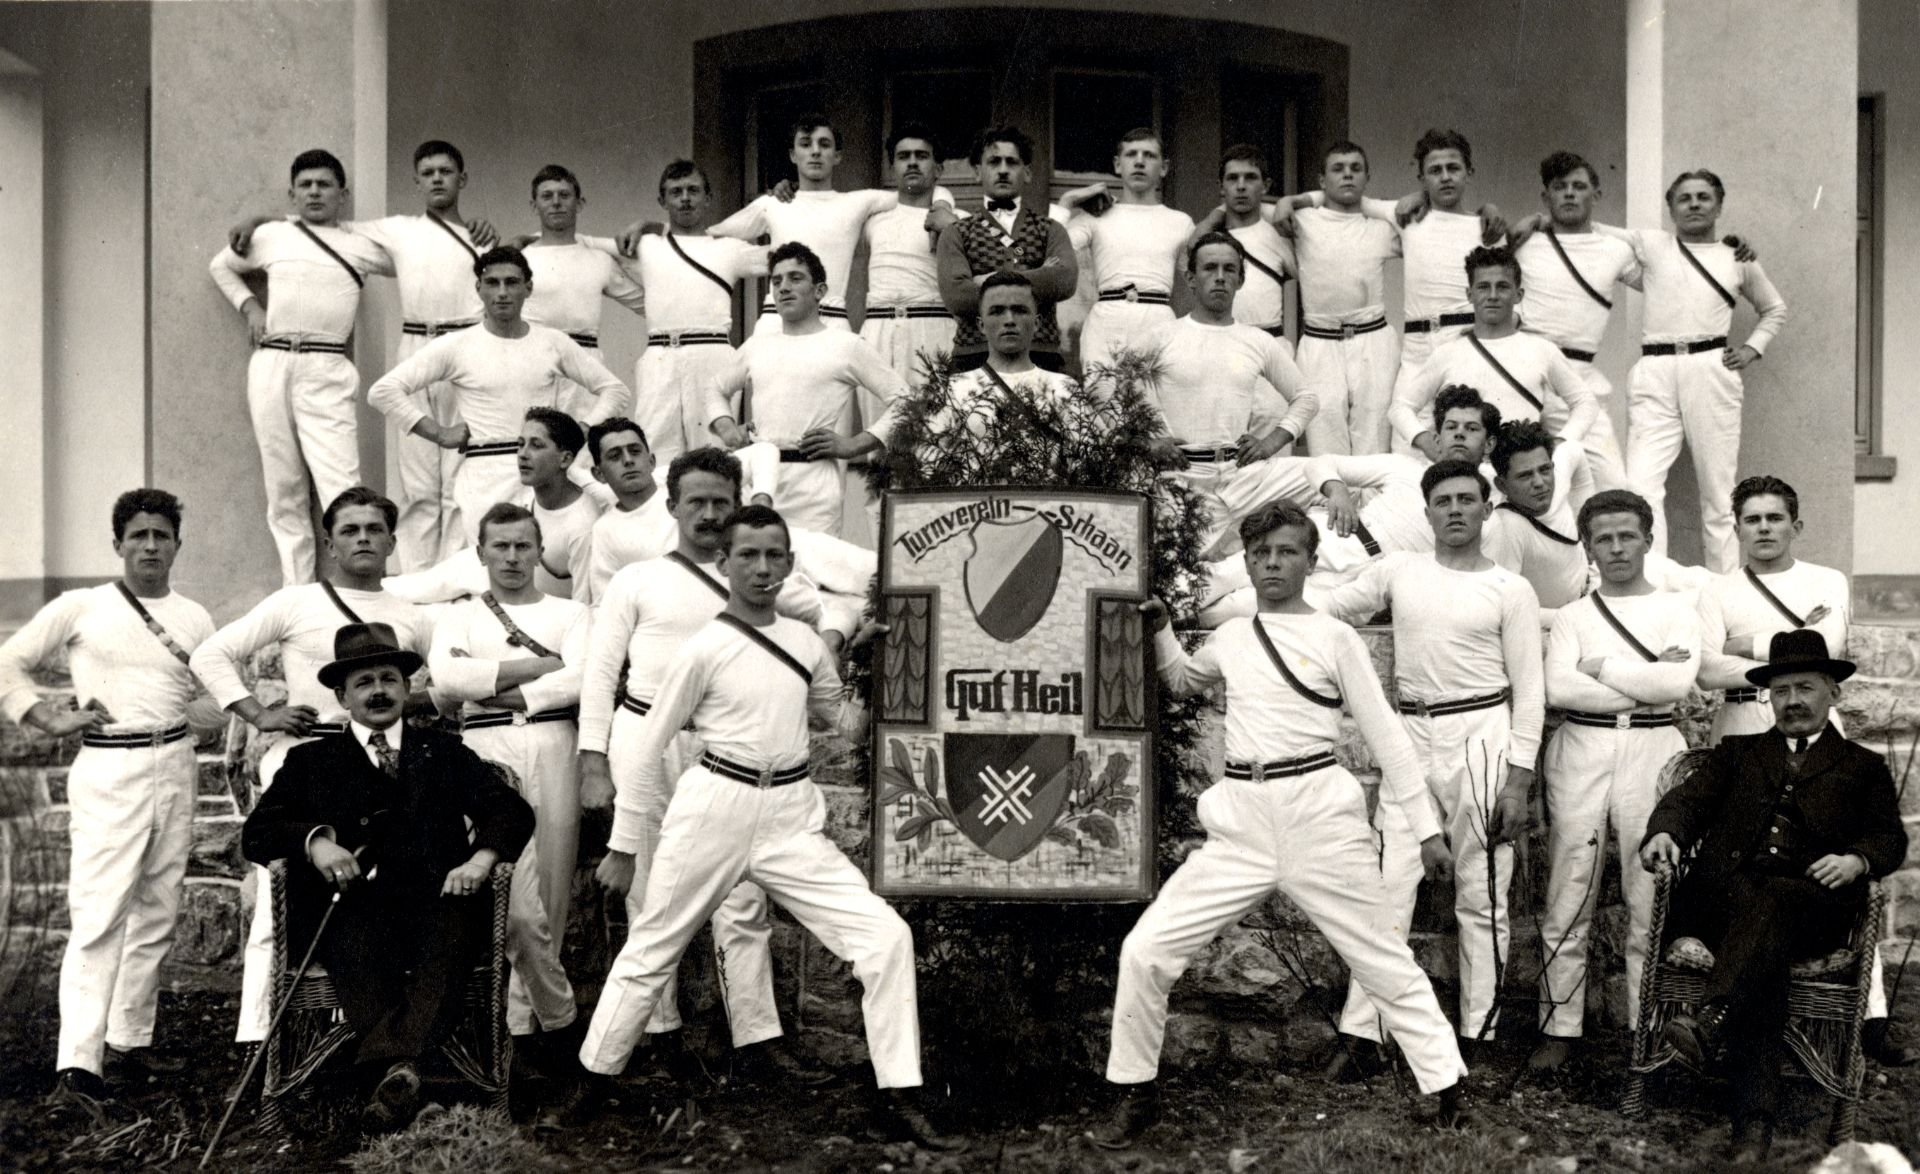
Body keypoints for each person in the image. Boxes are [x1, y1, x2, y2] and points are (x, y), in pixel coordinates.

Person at [562, 505, 960, 1149]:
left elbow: (840, 721)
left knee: (885, 936)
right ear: (724, 563)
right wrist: (624, 844)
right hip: (713, 803)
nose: (763, 568)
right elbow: (644, 748)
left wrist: (883, 657)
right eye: (748, 555)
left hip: (789, 817)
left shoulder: (805, 643)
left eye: (775, 555)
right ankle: (592, 1081)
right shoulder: (702, 649)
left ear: (791, 564)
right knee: (653, 945)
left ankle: (900, 1094)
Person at [1091, 502, 1468, 1149]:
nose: (1272, 563)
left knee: (1380, 956)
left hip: (1319, 815)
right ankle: (1133, 1091)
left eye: (1286, 551)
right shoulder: (1234, 636)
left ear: (1310, 560)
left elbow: (1388, 738)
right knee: (1147, 948)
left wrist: (1428, 831)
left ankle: (1448, 1090)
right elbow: (1182, 680)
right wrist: (1159, 630)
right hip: (1241, 819)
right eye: (1261, 552)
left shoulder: (1335, 637)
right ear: (1247, 561)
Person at [576, 449, 835, 1088]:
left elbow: (825, 625)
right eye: (697, 502)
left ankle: (757, 1040)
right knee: (648, 899)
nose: (711, 514)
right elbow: (602, 673)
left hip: (732, 750)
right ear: (673, 507)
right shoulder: (639, 580)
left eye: (722, 501)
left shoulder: (762, 578)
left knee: (744, 900)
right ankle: (658, 1038)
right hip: (649, 741)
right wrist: (593, 759)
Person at [241, 622, 534, 1132]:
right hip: (350, 913)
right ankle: (408, 1077)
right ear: (342, 696)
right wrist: (318, 841)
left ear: (405, 688)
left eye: (388, 679)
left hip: (438, 907)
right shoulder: (311, 760)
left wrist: (478, 862)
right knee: (353, 939)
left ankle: (390, 1072)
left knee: (455, 929)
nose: (378, 691)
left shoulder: (442, 751)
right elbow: (259, 832)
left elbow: (508, 809)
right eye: (364, 682)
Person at [1643, 630, 1907, 1162]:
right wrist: (1664, 832)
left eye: (1805, 688)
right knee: (1763, 953)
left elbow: (1889, 838)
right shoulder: (1736, 754)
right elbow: (1687, 801)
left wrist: (1857, 858)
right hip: (1725, 906)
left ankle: (1713, 1029)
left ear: (1833, 692)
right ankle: (1752, 1128)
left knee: (1779, 903)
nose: (1792, 701)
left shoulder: (1861, 766)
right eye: (1780, 690)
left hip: (1816, 909)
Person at [190, 487, 438, 1047]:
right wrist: (259, 712)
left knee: (368, 896)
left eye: (375, 529)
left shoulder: (412, 617)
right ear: (329, 542)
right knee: (278, 900)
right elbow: (210, 654)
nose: (364, 539)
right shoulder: (296, 602)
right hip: (307, 761)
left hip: (381, 763)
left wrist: (403, 708)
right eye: (350, 531)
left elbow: (441, 688)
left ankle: (352, 1034)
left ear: (393, 541)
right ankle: (261, 1041)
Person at [1320, 460, 1543, 1060]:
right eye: (1442, 500)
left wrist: (1518, 782)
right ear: (1426, 513)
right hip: (1411, 737)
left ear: (1486, 510)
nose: (1454, 510)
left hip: (1483, 735)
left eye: (1466, 500)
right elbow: (1333, 607)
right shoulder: (1400, 569)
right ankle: (1366, 1033)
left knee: (1482, 892)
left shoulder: (1510, 589)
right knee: (1387, 887)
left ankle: (1481, 1032)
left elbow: (1531, 690)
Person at [2, 490, 215, 1108]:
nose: (150, 546)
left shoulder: (194, 617)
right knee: (99, 917)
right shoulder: (81, 607)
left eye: (162, 536)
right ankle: (77, 1066)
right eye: (139, 535)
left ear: (178, 543)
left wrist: (206, 713)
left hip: (174, 764)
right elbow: (7, 662)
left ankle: (128, 1046)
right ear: (117, 543)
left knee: (157, 910)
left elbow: (206, 695)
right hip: (108, 767)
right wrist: (44, 717)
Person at [235, 140, 498, 571]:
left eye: (445, 171)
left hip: (462, 352)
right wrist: (264, 220)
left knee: (458, 481)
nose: (436, 178)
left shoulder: (481, 239)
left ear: (462, 179)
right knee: (417, 485)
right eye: (427, 172)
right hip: (414, 350)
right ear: (416, 180)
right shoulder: (395, 230)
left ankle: (453, 584)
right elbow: (320, 228)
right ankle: (415, 583)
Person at [1529, 489, 1699, 1073]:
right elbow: (1560, 688)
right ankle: (1558, 1029)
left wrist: (1602, 667)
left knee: (1650, 893)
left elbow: (1676, 687)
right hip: (1582, 745)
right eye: (1604, 538)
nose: (1617, 547)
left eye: (1628, 535)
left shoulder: (1677, 608)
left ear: (1648, 539)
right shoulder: (1576, 616)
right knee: (1567, 890)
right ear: (1589, 546)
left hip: (1654, 745)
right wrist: (1644, 674)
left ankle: (1644, 1031)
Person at [426, 504, 587, 1051]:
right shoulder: (462, 615)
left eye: (523, 545)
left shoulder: (572, 615)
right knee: (508, 895)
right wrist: (537, 667)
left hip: (552, 741)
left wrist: (494, 683)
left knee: (551, 890)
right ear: (481, 553)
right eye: (501, 546)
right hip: (482, 750)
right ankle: (545, 1026)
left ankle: (525, 1032)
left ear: (540, 551)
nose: (513, 556)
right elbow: (448, 678)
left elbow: (581, 681)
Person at [209, 149, 392, 586]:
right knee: (284, 488)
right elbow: (222, 266)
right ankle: (299, 594)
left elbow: (413, 263)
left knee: (342, 488)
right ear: (292, 193)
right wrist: (251, 307)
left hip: (326, 365)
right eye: (305, 185)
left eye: (324, 184)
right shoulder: (272, 234)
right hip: (272, 362)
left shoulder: (359, 245)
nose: (314, 192)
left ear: (342, 194)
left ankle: (362, 592)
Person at [367, 245, 630, 548]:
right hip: (485, 473)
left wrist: (582, 429)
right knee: (487, 565)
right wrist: (439, 433)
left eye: (512, 282)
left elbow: (615, 390)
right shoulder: (457, 345)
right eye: (492, 283)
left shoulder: (552, 342)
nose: (502, 292)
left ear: (528, 288)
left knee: (549, 557)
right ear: (478, 289)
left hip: (543, 470)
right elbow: (383, 391)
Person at [1599, 170, 1788, 570]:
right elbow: (1594, 232)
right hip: (1655, 367)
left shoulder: (1736, 258)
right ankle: (1651, 581)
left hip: (1711, 368)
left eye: (1704, 197)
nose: (1695, 204)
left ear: (1719, 206)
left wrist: (1753, 348)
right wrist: (1542, 223)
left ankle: (1726, 587)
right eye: (1684, 198)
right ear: (1671, 209)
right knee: (1641, 485)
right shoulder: (1653, 245)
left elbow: (1774, 308)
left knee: (1719, 493)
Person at [642, 114, 952, 336]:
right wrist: (654, 229)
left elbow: (922, 190)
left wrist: (943, 204)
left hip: (831, 322)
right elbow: (707, 235)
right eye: (806, 144)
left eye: (824, 144)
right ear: (793, 154)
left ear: (838, 156)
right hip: (776, 323)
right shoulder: (772, 204)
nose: (815, 151)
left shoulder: (858, 202)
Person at [704, 243, 907, 539]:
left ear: (820, 290)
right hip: (760, 478)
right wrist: (726, 428)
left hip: (814, 481)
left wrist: (855, 445)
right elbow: (715, 387)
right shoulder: (758, 345)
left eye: (795, 278)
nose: (784, 287)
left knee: (814, 573)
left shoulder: (846, 345)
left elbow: (905, 400)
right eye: (777, 281)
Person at [1144, 232, 1320, 558]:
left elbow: (1306, 397)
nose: (1220, 277)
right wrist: (1147, 440)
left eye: (1230, 270)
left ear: (1240, 280)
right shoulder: (1161, 337)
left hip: (1239, 481)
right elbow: (1109, 397)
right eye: (1210, 268)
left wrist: (1271, 442)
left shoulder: (1256, 341)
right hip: (1179, 478)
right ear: (1191, 278)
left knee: (1329, 481)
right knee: (1180, 574)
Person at [1506, 151, 1644, 491]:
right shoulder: (1525, 243)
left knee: (1612, 485)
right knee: (1512, 478)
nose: (1569, 193)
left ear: (1595, 195)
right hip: (1523, 367)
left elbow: (1666, 279)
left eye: (1579, 186)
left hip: (1576, 378)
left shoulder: (1615, 249)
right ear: (1545, 196)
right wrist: (1512, 237)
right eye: (1559, 186)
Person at [1389, 246, 1597, 467]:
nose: (1493, 296)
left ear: (1519, 295)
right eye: (1483, 287)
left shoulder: (1542, 350)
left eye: (1503, 287)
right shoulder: (1447, 353)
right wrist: (1425, 441)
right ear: (1470, 294)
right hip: (1463, 474)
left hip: (1517, 473)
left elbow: (1586, 402)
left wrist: (1561, 442)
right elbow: (1400, 407)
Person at [619, 161, 766, 459]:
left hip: (711, 353)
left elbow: (783, 258)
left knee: (714, 453)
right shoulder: (647, 245)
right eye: (676, 192)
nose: (685, 198)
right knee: (656, 451)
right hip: (660, 355)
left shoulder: (729, 249)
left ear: (708, 198)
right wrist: (525, 240)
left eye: (693, 190)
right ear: (663, 201)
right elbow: (580, 246)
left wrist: (777, 206)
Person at [1269, 141, 1401, 454]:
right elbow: (1242, 207)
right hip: (1319, 340)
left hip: (1373, 339)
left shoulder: (1381, 227)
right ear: (1321, 180)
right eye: (1338, 169)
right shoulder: (1304, 220)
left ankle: (1372, 505)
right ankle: (1331, 504)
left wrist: (1370, 205)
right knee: (1324, 437)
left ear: (1367, 177)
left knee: (1374, 437)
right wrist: (1293, 201)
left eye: (1356, 169)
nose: (1347, 176)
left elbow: (1419, 212)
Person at [936, 126, 1078, 372]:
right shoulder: (957, 232)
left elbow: (1064, 280)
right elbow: (958, 296)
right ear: (978, 172)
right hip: (974, 356)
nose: (1003, 170)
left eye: (1011, 162)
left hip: (1041, 355)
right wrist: (1039, 275)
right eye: (994, 162)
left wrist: (986, 281)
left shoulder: (1050, 229)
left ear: (1027, 172)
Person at [518, 165, 648, 419]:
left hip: (583, 364)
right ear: (534, 206)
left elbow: (648, 305)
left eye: (564, 195)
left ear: (579, 203)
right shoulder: (521, 258)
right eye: (547, 196)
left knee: (582, 447)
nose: (556, 203)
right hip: (531, 360)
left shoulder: (598, 259)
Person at [1060, 127, 1196, 369]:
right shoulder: (1095, 217)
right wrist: (1066, 202)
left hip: (1158, 323)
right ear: (1117, 165)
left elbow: (1197, 280)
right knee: (1102, 401)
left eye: (1149, 155)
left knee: (1155, 404)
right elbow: (1054, 249)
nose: (1140, 161)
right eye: (1131, 154)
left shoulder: (1180, 222)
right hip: (1106, 323)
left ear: (1164, 168)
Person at [922, 272, 1079, 452]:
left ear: (1037, 323)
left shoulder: (1063, 387)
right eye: (997, 311)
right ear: (981, 325)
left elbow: (1089, 461)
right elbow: (931, 463)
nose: (1009, 320)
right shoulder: (955, 389)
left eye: (1020, 310)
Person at [1484, 420, 1589, 623]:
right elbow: (1504, 608)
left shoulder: (1558, 472)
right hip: (1554, 627)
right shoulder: (1506, 528)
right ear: (1502, 485)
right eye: (1525, 476)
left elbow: (1574, 451)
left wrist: (1586, 523)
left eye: (1544, 470)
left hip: (1592, 588)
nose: (1540, 483)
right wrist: (1573, 617)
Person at [1187, 145, 1294, 337]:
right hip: (1220, 341)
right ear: (1221, 186)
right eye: (1233, 178)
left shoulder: (1279, 234)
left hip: (1268, 341)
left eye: (1250, 177)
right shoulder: (1207, 239)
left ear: (1266, 185)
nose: (1241, 186)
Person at [579, 418, 675, 604]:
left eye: (635, 451)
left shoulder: (683, 500)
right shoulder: (605, 530)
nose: (628, 460)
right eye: (615, 456)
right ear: (599, 474)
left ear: (652, 461)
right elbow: (605, 603)